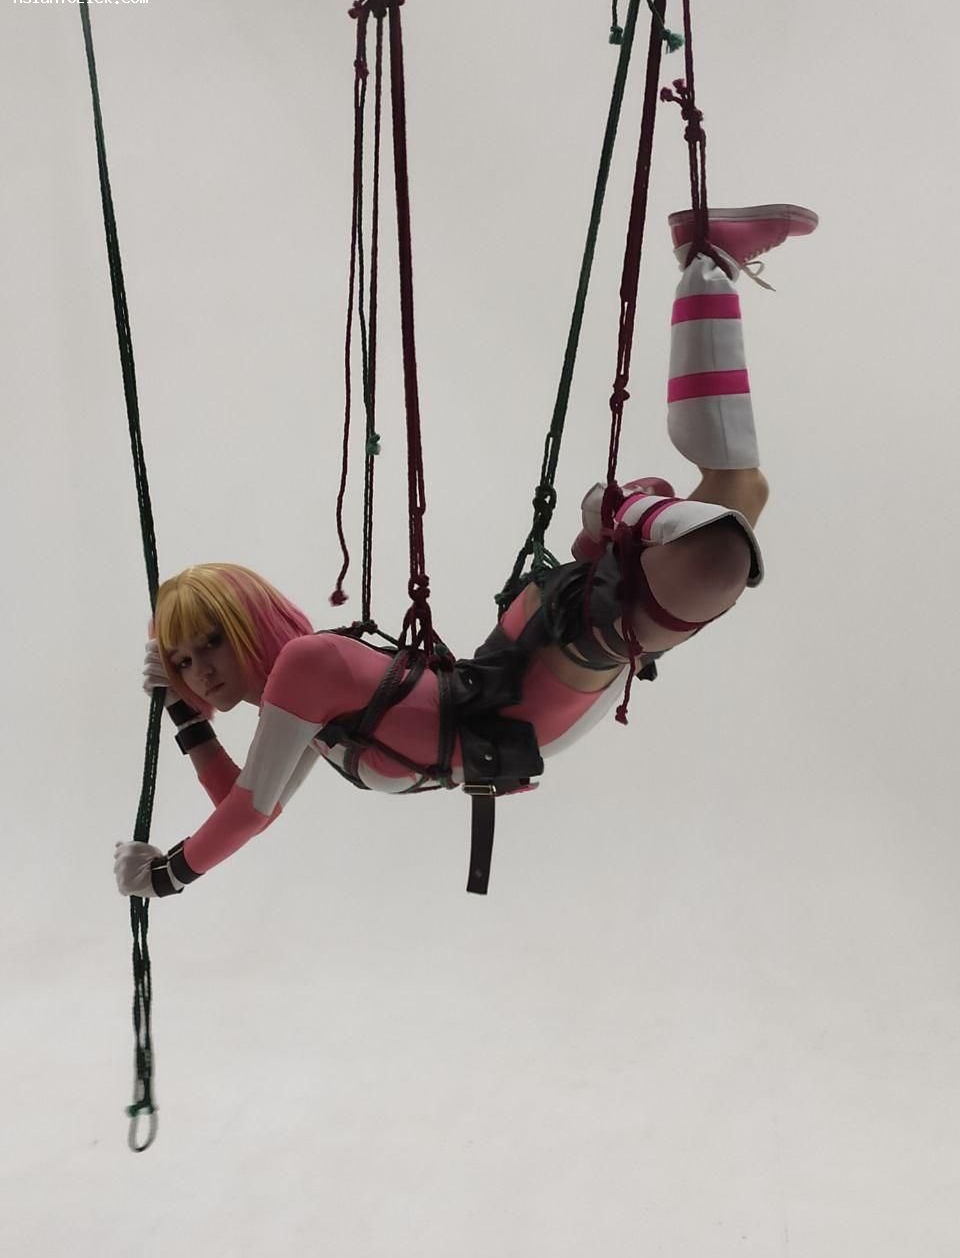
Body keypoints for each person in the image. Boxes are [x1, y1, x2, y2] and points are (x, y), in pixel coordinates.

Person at [114, 204, 818, 900]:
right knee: (738, 488)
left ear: (252, 624)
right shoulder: (298, 704)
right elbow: (247, 804)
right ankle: (708, 262)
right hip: (528, 682)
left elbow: (246, 811)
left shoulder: (306, 666)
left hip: (536, 677)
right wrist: (182, 714)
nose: (200, 670)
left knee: (719, 555)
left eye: (209, 642)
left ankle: (616, 511)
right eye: (183, 662)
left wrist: (166, 876)